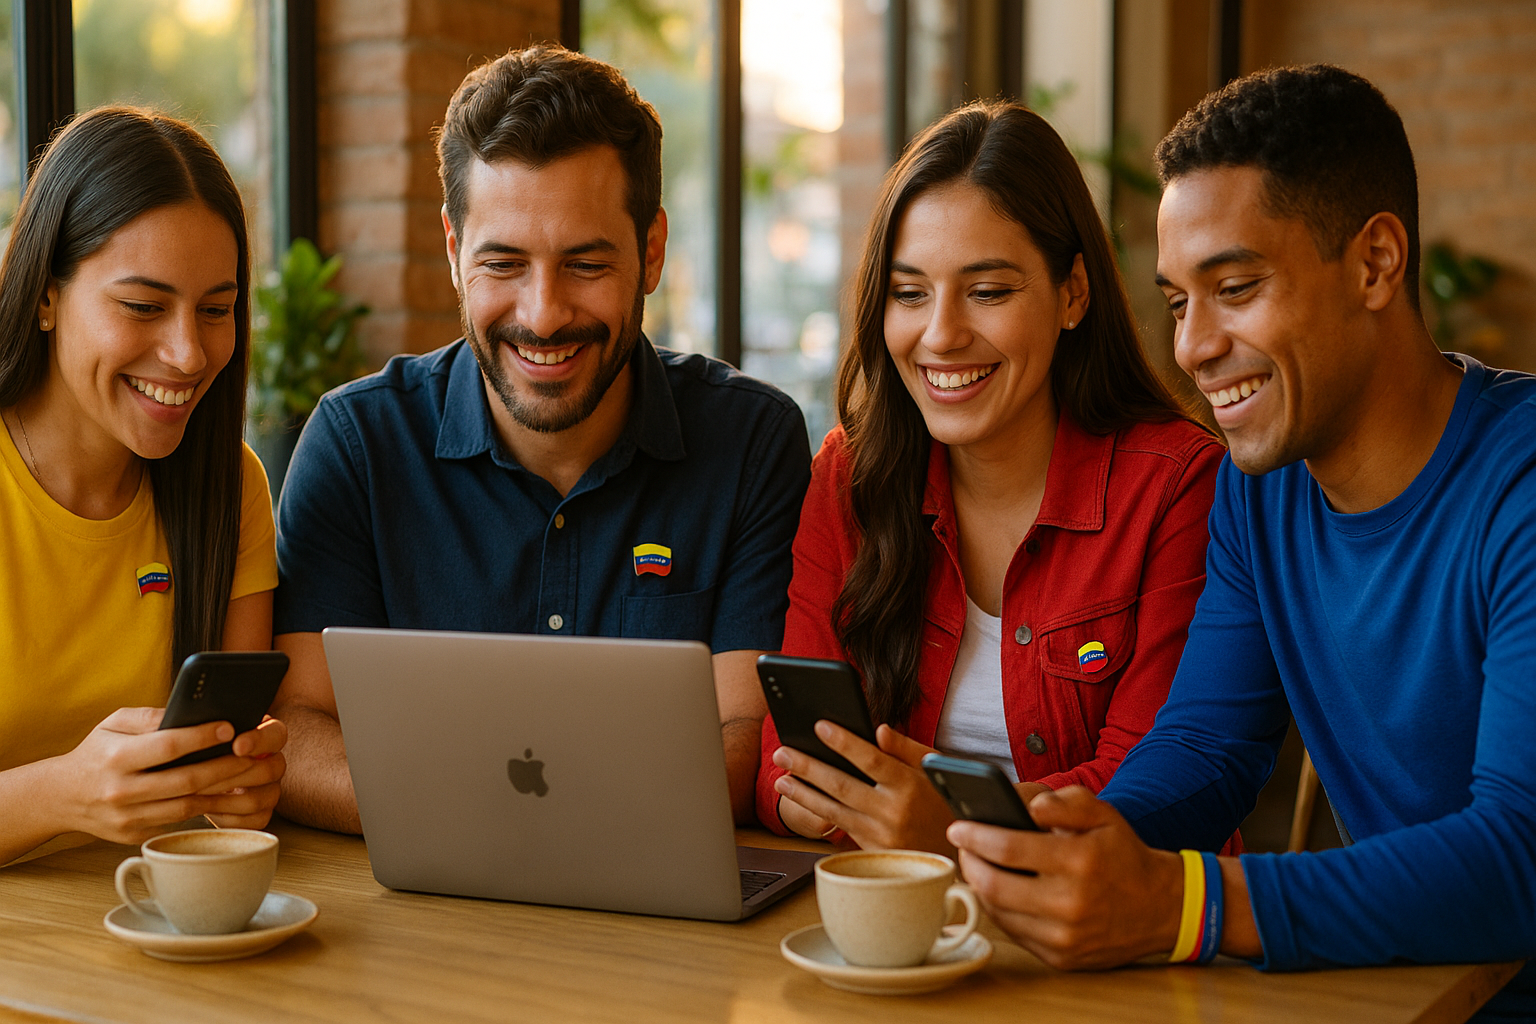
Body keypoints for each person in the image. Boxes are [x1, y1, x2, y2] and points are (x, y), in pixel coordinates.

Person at [946, 65, 1536, 1018]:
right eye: (1179, 301)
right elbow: (1208, 746)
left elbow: (1522, 856)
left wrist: (1185, 906)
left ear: (1377, 263)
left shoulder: (1523, 485)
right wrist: (1080, 840)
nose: (1192, 346)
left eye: (1236, 286)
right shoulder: (1260, 493)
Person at [272, 45, 811, 834]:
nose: (544, 313)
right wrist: (502, 819)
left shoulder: (751, 442)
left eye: (585, 263)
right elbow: (294, 727)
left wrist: (515, 818)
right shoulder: (359, 445)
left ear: (651, 251)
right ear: (455, 254)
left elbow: (745, 736)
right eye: (504, 263)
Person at [756, 101, 1227, 856]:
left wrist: (939, 822)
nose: (941, 334)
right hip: (902, 932)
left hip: (1117, 944)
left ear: (1073, 293)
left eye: (988, 291)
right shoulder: (849, 475)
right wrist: (815, 803)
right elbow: (781, 774)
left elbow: (1153, 787)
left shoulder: (1177, 486)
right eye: (910, 293)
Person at [0, 108, 287, 866]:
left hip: (159, 925)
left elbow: (222, 782)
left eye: (217, 311)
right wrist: (65, 792)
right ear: (45, 296)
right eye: (143, 307)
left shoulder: (229, 487)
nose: (189, 354)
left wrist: (235, 786)